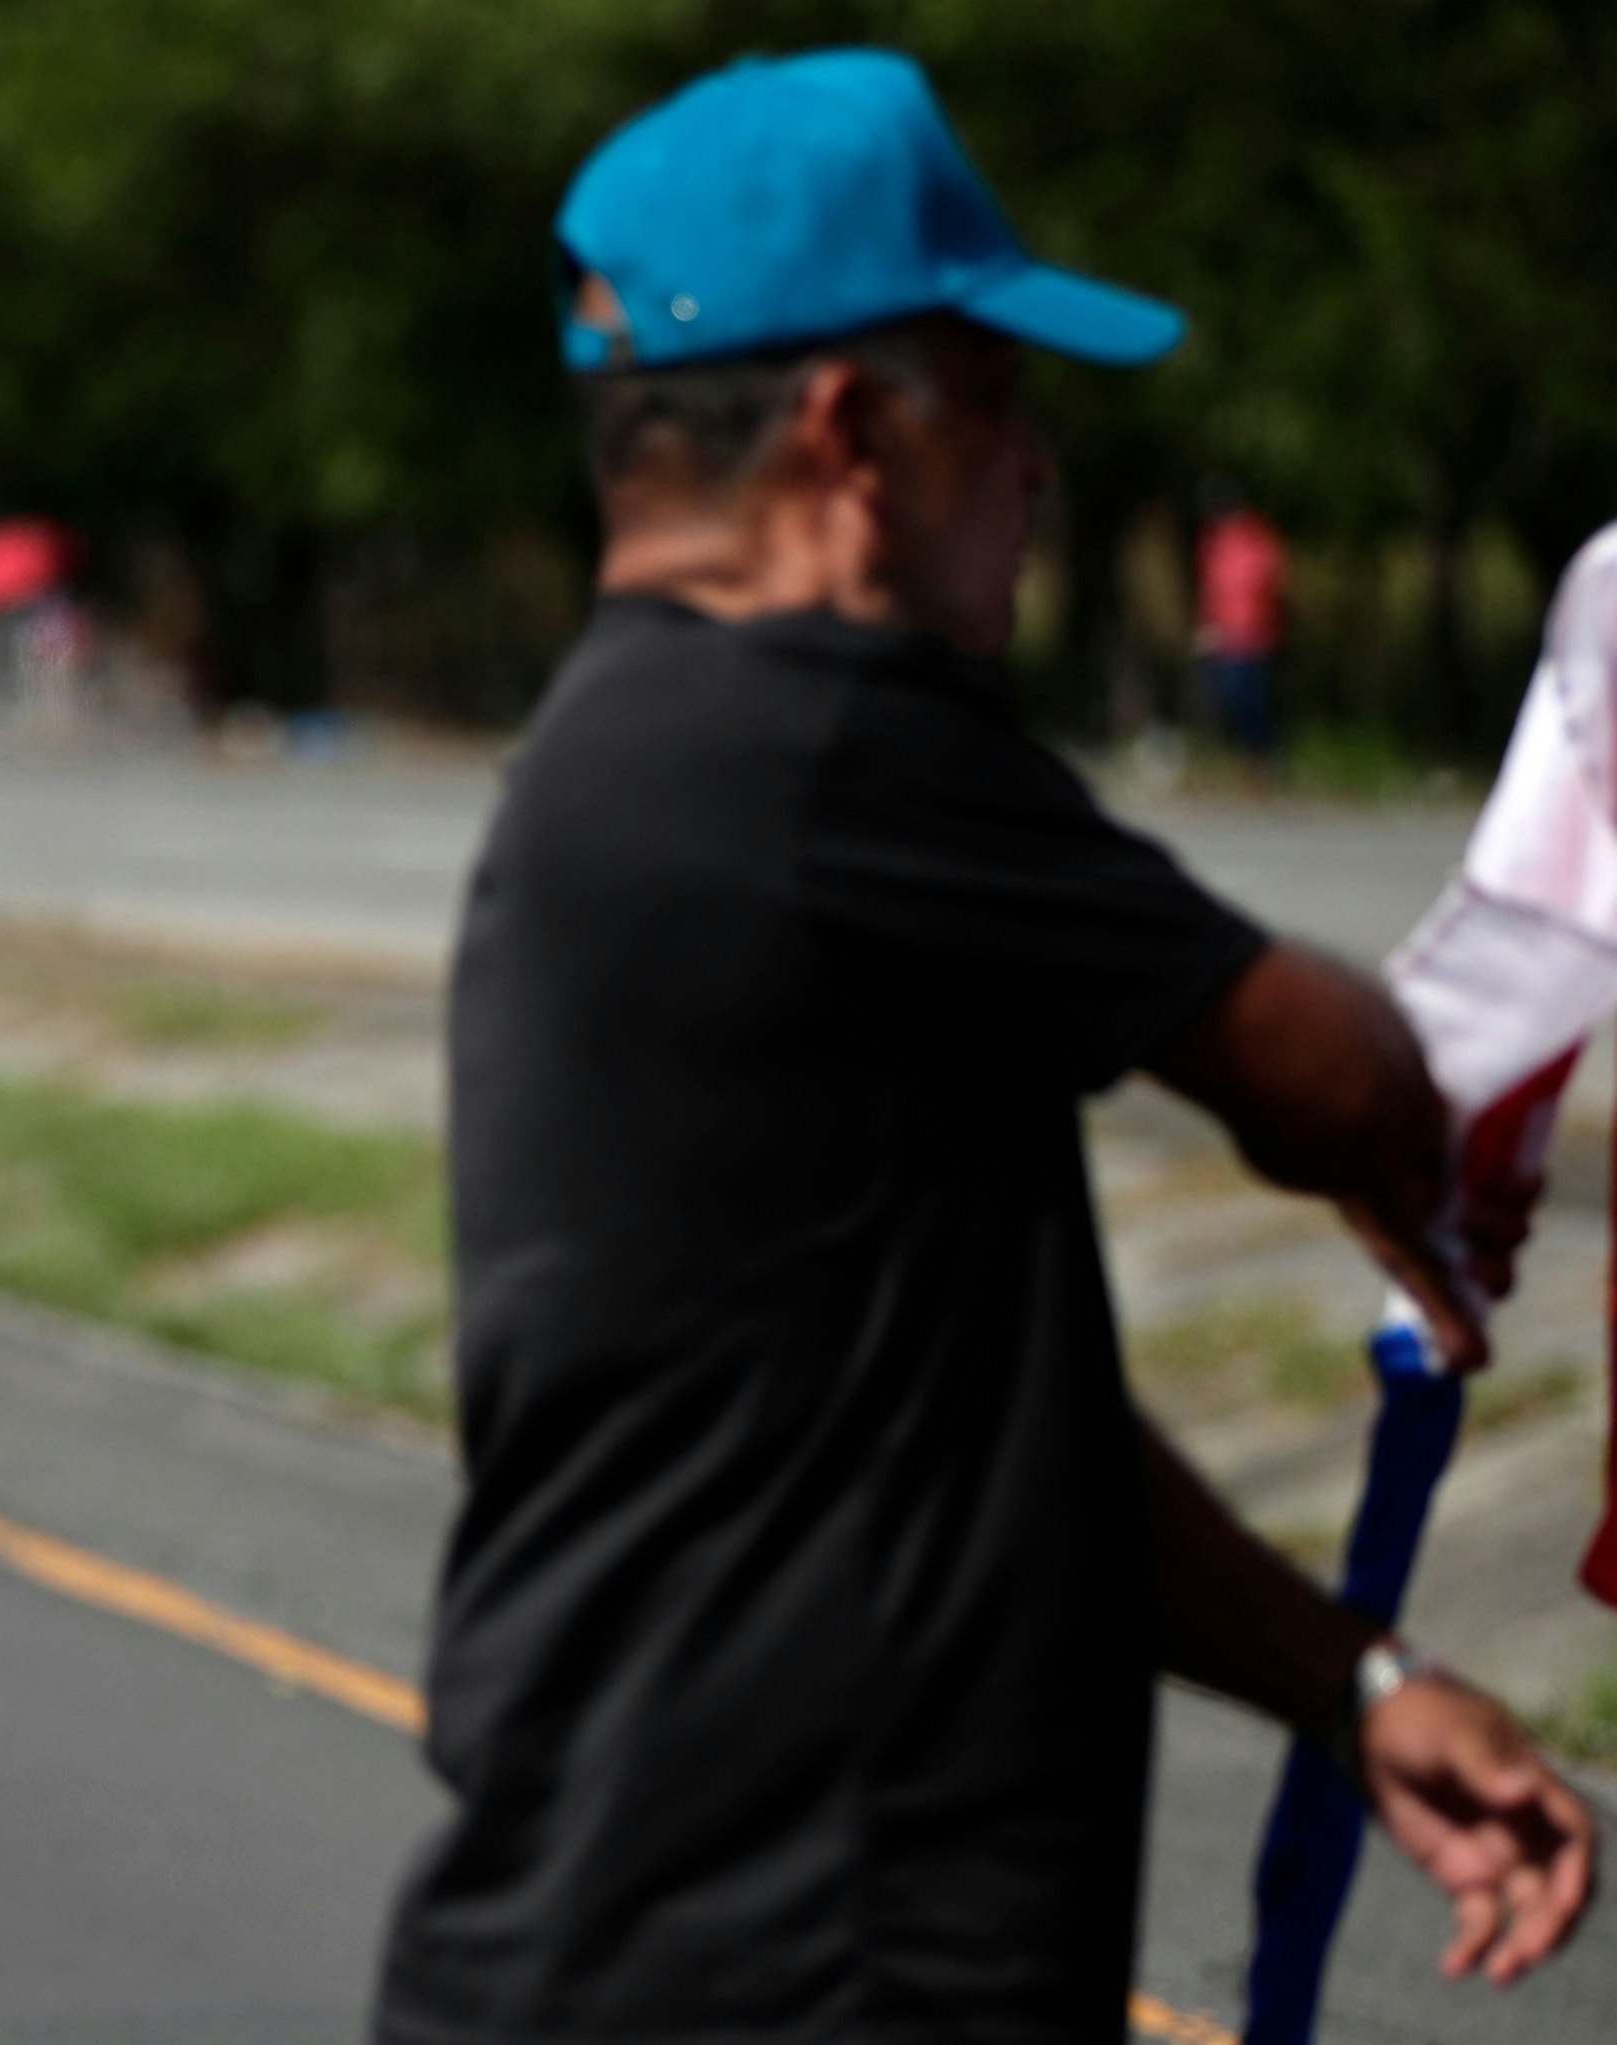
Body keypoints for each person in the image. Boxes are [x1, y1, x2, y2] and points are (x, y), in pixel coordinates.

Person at [376, 51, 1593, 2044]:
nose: (1037, 472)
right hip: (802, 1969)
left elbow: (975, 1425)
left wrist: (1354, 1677)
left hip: (663, 1953)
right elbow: (1351, 1084)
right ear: (857, 427)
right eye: (1004, 406)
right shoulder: (827, 740)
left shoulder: (638, 758)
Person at [1197, 479, 1292, 763]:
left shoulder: (1257, 539)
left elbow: (1270, 583)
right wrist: (1209, 625)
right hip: (1226, 636)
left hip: (1255, 634)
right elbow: (1213, 590)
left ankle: (1264, 757)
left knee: (1255, 701)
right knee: (1232, 698)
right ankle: (1246, 756)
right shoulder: (1215, 544)